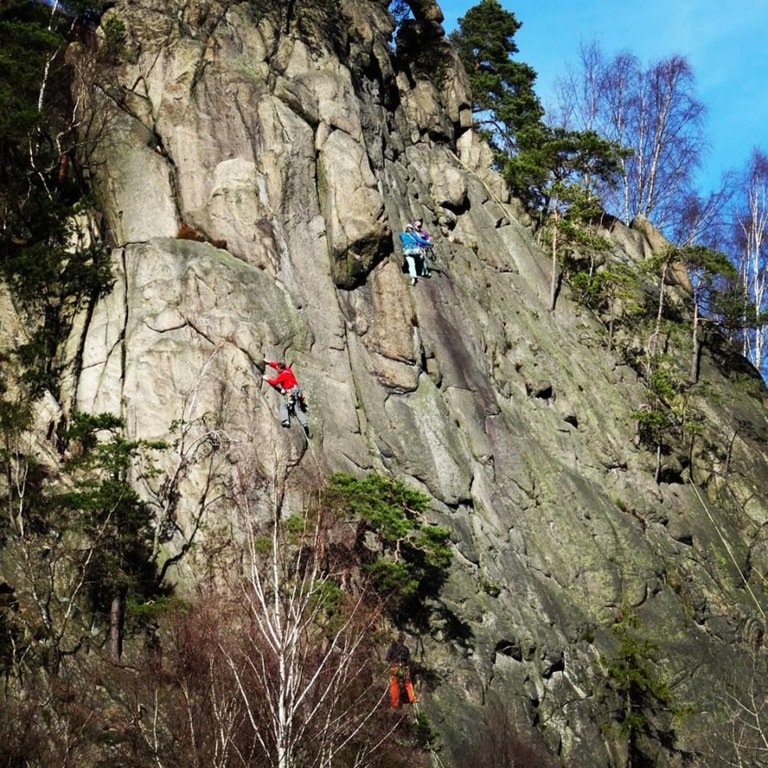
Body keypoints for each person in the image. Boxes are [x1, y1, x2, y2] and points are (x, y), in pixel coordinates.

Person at [262, 359, 310, 436]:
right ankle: (304, 423)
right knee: (298, 409)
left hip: (290, 392)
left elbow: (275, 382)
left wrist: (267, 379)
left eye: (278, 368)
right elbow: (276, 365)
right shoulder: (288, 370)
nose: (277, 369)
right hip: (297, 391)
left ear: (281, 369)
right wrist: (269, 362)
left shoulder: (283, 375)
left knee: (283, 406)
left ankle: (285, 421)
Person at [386, 632, 415, 708]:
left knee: (394, 685)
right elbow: (408, 662)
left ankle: (394, 703)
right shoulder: (406, 649)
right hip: (403, 669)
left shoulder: (391, 647)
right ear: (403, 640)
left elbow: (388, 659)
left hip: (394, 668)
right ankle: (412, 698)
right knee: (407, 683)